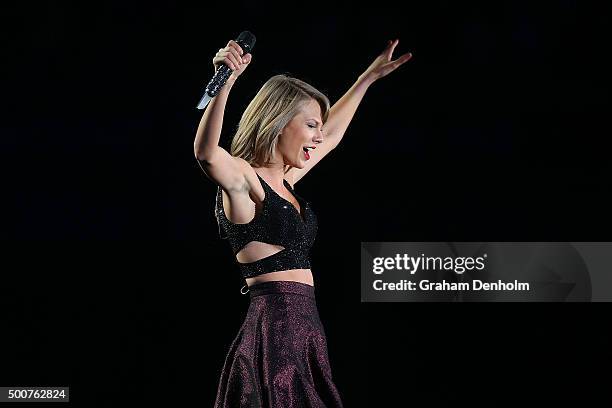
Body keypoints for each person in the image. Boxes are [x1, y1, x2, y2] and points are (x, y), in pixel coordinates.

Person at [194, 36, 412, 408]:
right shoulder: (248, 184)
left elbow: (334, 136)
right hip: (275, 334)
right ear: (279, 123)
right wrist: (226, 81)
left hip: (306, 332)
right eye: (311, 125)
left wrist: (365, 80)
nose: (318, 135)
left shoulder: (286, 183)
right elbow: (208, 153)